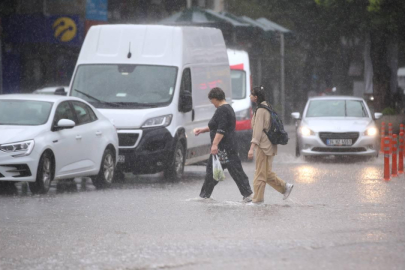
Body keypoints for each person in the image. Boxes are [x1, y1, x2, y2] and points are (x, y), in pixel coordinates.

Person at [194, 87, 253, 202]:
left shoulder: (222, 110)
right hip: (228, 147)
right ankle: (205, 195)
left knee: (225, 171)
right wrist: (202, 130)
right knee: (229, 170)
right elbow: (215, 126)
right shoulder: (228, 108)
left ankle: (205, 196)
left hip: (223, 148)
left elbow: (221, 129)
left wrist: (215, 145)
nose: (213, 104)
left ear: (216, 99)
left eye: (212, 101)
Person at [248, 86, 294, 204]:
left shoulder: (260, 110)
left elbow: (257, 131)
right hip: (271, 145)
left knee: (260, 174)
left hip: (263, 146)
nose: (250, 96)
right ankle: (285, 187)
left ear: (256, 97)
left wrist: (251, 148)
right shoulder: (267, 106)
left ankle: (257, 200)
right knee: (266, 173)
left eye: (251, 94)